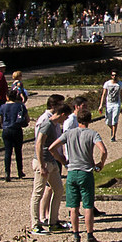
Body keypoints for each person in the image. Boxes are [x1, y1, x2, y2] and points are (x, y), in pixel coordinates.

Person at [49, 110, 107, 242]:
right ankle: (89, 235)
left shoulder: (69, 133)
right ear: (89, 120)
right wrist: (100, 164)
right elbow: (103, 150)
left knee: (73, 207)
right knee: (87, 205)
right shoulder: (92, 134)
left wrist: (62, 160)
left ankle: (76, 236)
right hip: (85, 172)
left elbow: (52, 148)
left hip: (72, 171)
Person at [30, 100, 71, 234]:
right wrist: (41, 165)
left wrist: (61, 161)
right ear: (62, 114)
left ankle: (53, 221)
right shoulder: (47, 124)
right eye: (65, 117)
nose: (65, 120)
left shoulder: (54, 125)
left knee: (58, 190)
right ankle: (35, 223)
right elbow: (39, 144)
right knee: (38, 193)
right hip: (44, 162)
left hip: (52, 162)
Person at [0, 89, 29, 182]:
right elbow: (27, 119)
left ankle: (7, 172)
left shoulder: (3, 107)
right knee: (18, 151)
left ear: (7, 97)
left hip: (7, 130)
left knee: (8, 152)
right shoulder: (20, 106)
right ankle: (20, 170)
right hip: (17, 130)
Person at [97, 71, 122, 142]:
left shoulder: (120, 84)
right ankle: (113, 130)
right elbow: (104, 94)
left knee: (114, 119)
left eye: (115, 75)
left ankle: (113, 135)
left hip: (116, 104)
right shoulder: (107, 83)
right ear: (111, 76)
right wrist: (101, 105)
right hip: (109, 104)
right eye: (113, 75)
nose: (114, 77)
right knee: (107, 121)